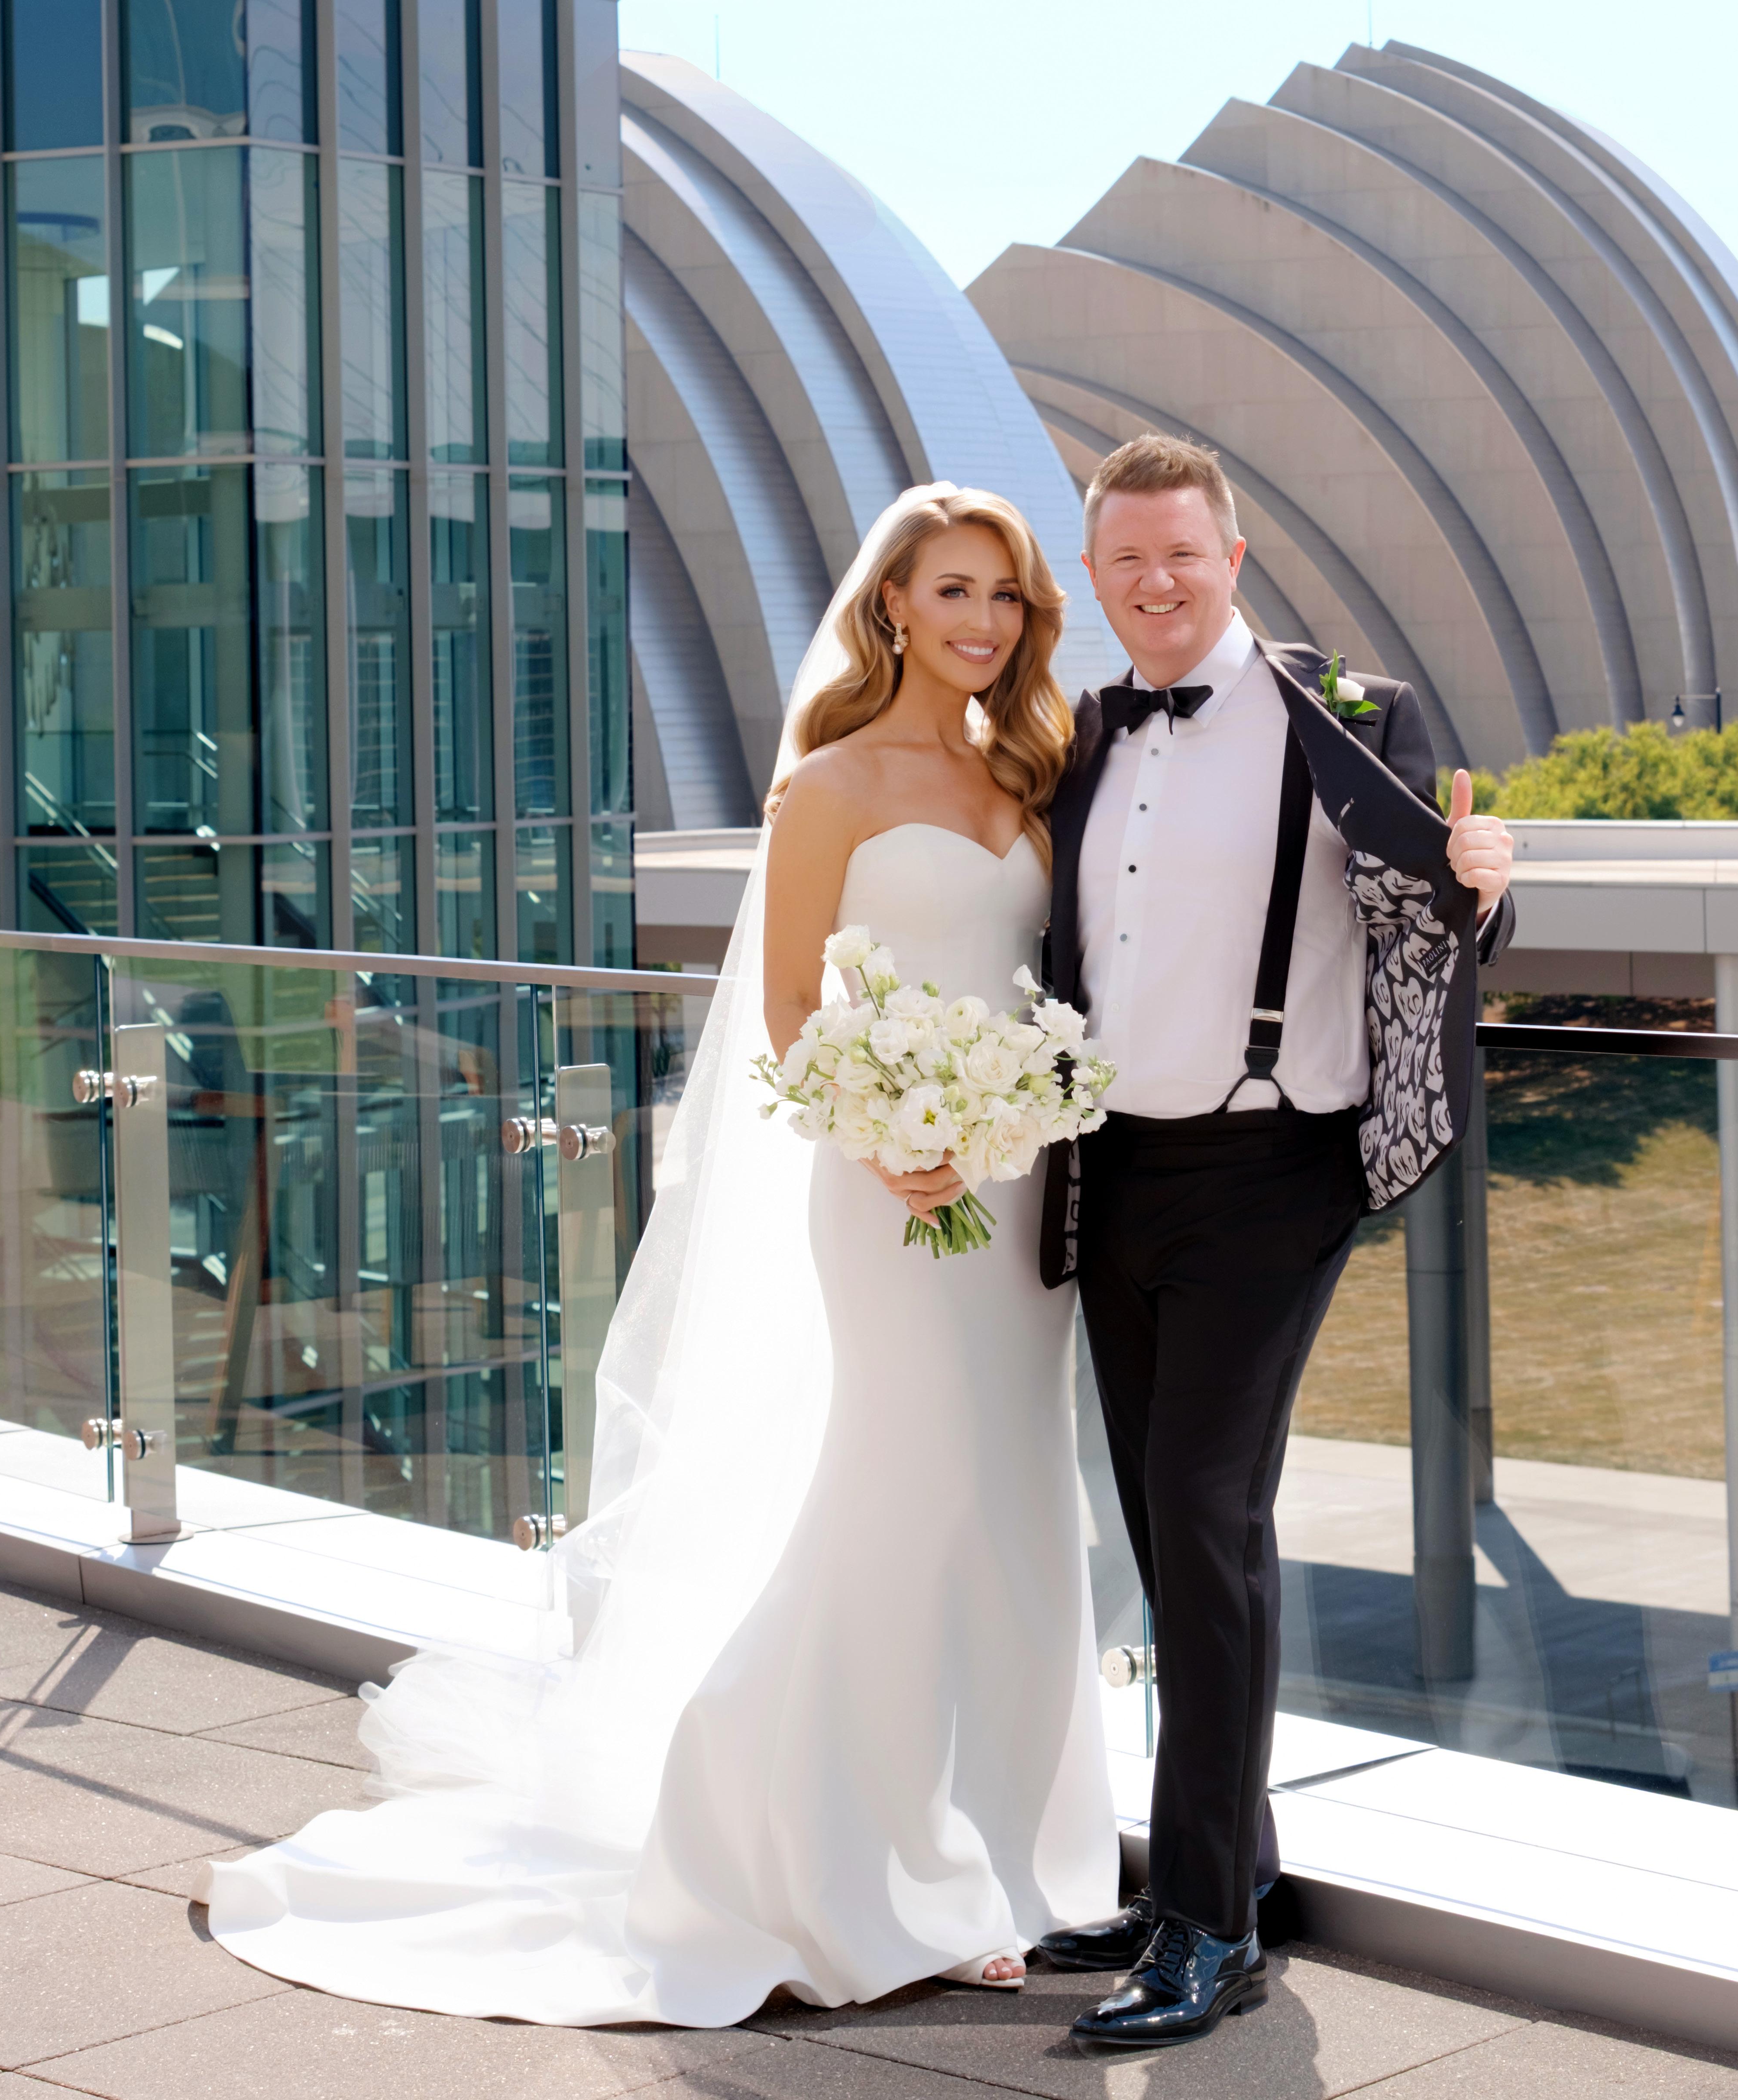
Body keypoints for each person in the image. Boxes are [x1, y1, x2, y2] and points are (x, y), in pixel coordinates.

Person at [200, 484, 1120, 2022]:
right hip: (886, 1190)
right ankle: (839, 1854)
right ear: (892, 605)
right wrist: (887, 1138)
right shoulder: (828, 784)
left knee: (1013, 1500)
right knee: (905, 1495)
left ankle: (1010, 1850)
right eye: (955, 589)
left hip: (1012, 1193)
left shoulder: (1029, 765)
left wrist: (1007, 1107)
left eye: (1007, 596)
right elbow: (786, 1008)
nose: (983, 621)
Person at [1033, 432, 1516, 2051]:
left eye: (1182, 552)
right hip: (1111, 1170)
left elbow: (1444, 905)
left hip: (1271, 1168)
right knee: (1166, 1529)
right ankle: (1220, 1867)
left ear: (1232, 558)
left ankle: (1205, 1929)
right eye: (1125, 559)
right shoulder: (1085, 735)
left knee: (1200, 1509)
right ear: (1094, 577)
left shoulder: (1349, 718)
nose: (1156, 581)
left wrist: (1487, 879)